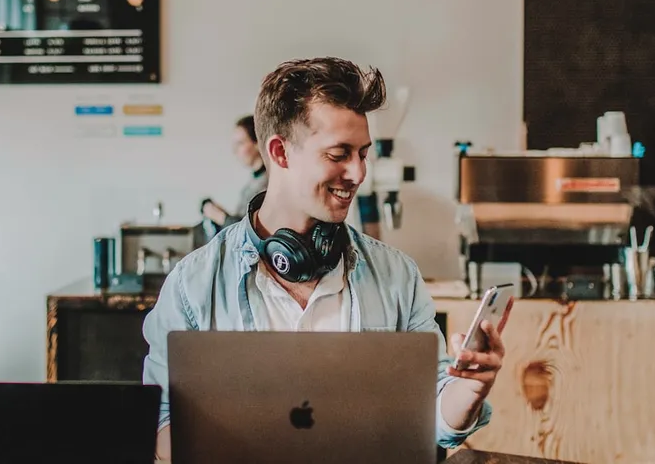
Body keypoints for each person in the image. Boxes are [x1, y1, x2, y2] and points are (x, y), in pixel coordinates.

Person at [142, 57, 505, 460]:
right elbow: (158, 426)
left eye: (363, 154)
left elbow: (433, 420)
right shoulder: (192, 285)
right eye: (338, 154)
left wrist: (468, 390)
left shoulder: (397, 275)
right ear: (279, 152)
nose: (357, 173)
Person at [201, 115, 269, 230]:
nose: (235, 151)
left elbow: (251, 232)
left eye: (240, 143)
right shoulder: (254, 180)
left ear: (257, 143)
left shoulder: (268, 183)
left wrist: (220, 216)